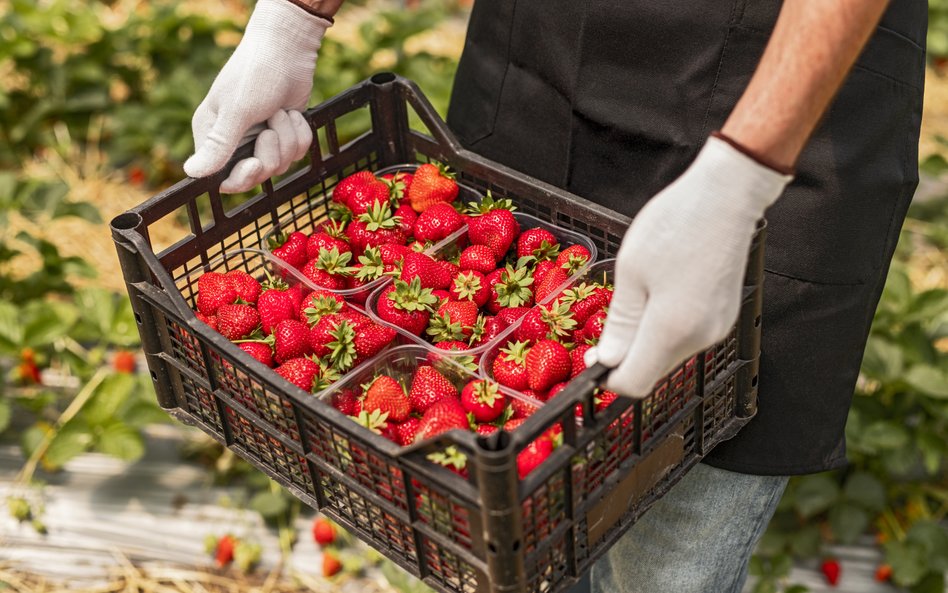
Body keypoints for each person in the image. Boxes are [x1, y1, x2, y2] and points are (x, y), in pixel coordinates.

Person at [183, 1, 927, 591]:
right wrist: (295, 17)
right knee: (486, 544)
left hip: (785, 93)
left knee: (672, 571)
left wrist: (743, 179)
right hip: (543, 56)